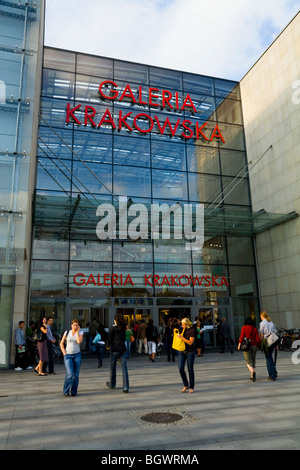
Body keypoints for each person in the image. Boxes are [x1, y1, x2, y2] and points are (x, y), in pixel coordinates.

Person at [60, 319, 83, 396]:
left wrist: (77, 332)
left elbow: (79, 342)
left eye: (77, 325)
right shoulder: (67, 332)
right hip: (68, 355)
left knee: (75, 375)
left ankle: (74, 392)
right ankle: (66, 391)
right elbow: (61, 343)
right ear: (71, 325)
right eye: (74, 325)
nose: (75, 326)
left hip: (77, 355)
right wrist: (64, 352)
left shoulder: (80, 332)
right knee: (70, 374)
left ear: (78, 326)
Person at [106, 314, 129, 393]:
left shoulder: (112, 328)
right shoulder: (123, 328)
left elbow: (110, 338)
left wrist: (107, 345)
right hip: (123, 349)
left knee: (113, 367)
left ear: (115, 320)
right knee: (124, 368)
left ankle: (112, 384)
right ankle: (126, 387)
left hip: (114, 349)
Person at [238, 317, 260, 382]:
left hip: (246, 346)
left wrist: (239, 344)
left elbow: (242, 336)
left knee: (248, 361)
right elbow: (257, 339)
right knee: (253, 360)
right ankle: (252, 375)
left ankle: (252, 372)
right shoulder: (255, 329)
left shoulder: (244, 328)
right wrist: (258, 345)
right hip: (254, 346)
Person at [177, 318, 196, 393]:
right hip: (182, 351)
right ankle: (186, 384)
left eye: (182, 324)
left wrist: (182, 338)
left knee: (190, 369)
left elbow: (190, 342)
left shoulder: (192, 331)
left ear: (186, 324)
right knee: (181, 368)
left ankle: (191, 386)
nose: (181, 325)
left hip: (190, 351)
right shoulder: (182, 330)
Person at [259, 311, 279, 381]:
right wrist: (276, 344)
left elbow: (261, 334)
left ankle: (272, 375)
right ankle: (274, 371)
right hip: (273, 341)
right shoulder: (271, 323)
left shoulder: (262, 323)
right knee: (270, 357)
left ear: (262, 316)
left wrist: (260, 341)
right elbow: (275, 332)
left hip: (267, 342)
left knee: (268, 358)